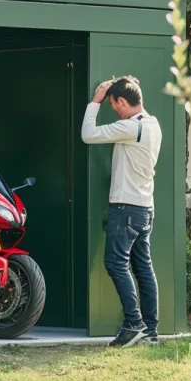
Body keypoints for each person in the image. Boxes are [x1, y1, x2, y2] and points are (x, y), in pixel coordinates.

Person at [81, 76, 163, 348]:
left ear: (125, 102)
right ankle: (150, 331)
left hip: (126, 207)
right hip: (145, 208)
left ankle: (134, 324)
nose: (113, 108)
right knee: (143, 269)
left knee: (115, 264)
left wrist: (95, 101)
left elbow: (88, 135)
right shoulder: (152, 124)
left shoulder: (132, 127)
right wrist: (121, 82)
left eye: (114, 104)